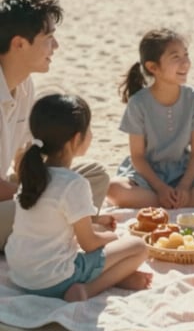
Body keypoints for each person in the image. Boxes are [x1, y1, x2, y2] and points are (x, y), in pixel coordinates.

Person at [5, 94, 152, 302]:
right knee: (138, 247)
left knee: (104, 247)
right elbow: (90, 244)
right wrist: (112, 237)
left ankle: (116, 277)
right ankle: (88, 289)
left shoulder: (32, 175)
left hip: (21, 276)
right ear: (75, 139)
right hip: (53, 281)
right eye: (88, 129)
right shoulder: (73, 183)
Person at [0, 0, 110, 251]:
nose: (56, 46)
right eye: (49, 38)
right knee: (59, 200)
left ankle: (58, 222)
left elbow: (22, 157)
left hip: (8, 193)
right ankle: (63, 223)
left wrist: (45, 188)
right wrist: (44, 195)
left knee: (93, 176)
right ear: (19, 43)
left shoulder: (25, 85)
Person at [107, 28, 194, 209]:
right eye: (175, 57)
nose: (185, 63)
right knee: (114, 189)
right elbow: (137, 157)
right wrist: (160, 189)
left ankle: (172, 201)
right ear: (152, 67)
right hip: (147, 175)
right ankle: (170, 201)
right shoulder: (138, 103)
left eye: (186, 55)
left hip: (185, 171)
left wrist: (184, 186)